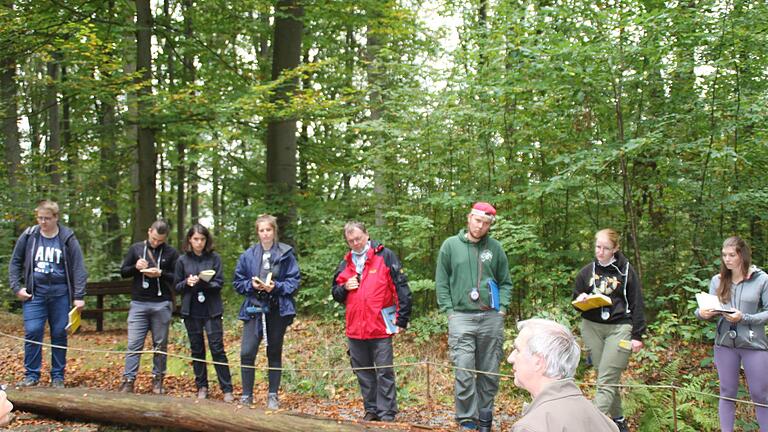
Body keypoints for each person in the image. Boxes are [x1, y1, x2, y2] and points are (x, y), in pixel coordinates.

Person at [435, 202, 513, 430]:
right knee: (465, 371)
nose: (480, 226)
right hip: (460, 317)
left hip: (490, 318)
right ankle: (467, 419)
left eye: (486, 223)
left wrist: (502, 309)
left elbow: (506, 282)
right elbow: (441, 282)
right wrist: (449, 312)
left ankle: (484, 417)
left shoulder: (495, 248)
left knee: (489, 372)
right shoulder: (450, 246)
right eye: (478, 221)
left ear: (490, 225)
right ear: (469, 218)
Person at [332, 221, 412, 422]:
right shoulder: (345, 263)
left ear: (367, 235)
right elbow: (335, 293)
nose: (356, 243)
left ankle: (387, 413)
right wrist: (344, 288)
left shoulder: (385, 256)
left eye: (358, 238)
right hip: (355, 328)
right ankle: (372, 410)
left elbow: (401, 287)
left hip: (380, 325)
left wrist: (402, 318)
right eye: (351, 241)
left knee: (384, 371)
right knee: (363, 373)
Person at [572, 228, 646, 432]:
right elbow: (576, 298)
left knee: (606, 380)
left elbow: (637, 302)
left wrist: (638, 335)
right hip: (592, 327)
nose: (601, 252)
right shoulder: (587, 271)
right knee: (604, 376)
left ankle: (589, 426)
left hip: (619, 328)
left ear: (615, 248)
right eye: (598, 247)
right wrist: (581, 299)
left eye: (606, 248)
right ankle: (619, 421)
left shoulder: (626, 271)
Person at [8, 200, 87, 388]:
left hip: (60, 294)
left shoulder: (67, 238)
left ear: (56, 218)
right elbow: (15, 262)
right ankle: (31, 375)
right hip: (35, 294)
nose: (43, 222)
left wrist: (79, 295)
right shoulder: (29, 236)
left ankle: (58, 376)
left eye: (47, 218)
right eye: (40, 218)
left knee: (59, 333)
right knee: (33, 331)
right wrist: (17, 287)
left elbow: (78, 267)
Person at [695, 236, 768, 432]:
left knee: (760, 395)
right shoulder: (717, 280)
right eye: (724, 255)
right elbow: (707, 309)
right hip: (725, 344)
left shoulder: (761, 279)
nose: (727, 259)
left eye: (731, 255)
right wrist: (702, 313)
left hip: (754, 345)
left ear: (742, 255)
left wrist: (743, 318)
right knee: (727, 392)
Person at [233, 214, 300, 408]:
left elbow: (293, 282)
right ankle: (246, 395)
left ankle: (272, 395)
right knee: (247, 352)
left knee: (274, 351)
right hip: (254, 307)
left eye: (268, 230)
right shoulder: (248, 255)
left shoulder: (286, 254)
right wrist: (251, 285)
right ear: (258, 233)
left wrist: (276, 287)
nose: (265, 234)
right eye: (261, 230)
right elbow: (238, 282)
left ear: (274, 231)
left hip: (277, 308)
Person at [508, 318, 619, 432]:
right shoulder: (606, 422)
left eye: (517, 350)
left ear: (538, 362)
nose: (510, 358)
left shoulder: (531, 427)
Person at [173, 223, 234, 402]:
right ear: (189, 240)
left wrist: (203, 282)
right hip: (191, 310)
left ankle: (227, 388)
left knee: (217, 348)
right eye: (195, 239)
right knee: (197, 349)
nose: (199, 243)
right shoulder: (182, 260)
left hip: (212, 310)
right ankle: (202, 386)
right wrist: (187, 283)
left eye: (202, 239)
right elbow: (176, 287)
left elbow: (219, 283)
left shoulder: (214, 258)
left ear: (206, 240)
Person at [118, 220, 179, 394]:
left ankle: (158, 379)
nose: (156, 243)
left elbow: (177, 278)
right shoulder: (136, 249)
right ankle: (128, 380)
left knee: (160, 344)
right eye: (154, 239)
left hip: (161, 303)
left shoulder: (171, 253)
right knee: (134, 343)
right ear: (149, 231)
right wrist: (136, 267)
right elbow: (123, 272)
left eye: (160, 240)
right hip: (139, 303)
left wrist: (161, 273)